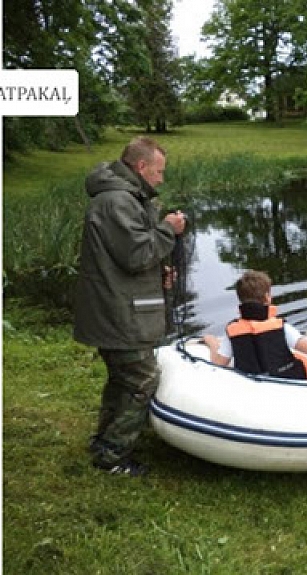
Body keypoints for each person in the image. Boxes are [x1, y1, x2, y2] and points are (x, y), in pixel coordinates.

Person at [73, 137, 186, 477]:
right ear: (141, 167)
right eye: (159, 171)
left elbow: (130, 255)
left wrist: (160, 271)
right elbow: (136, 254)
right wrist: (169, 229)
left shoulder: (123, 199)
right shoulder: (118, 202)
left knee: (121, 380)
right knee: (141, 380)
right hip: (119, 311)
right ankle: (113, 456)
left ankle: (105, 441)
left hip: (117, 306)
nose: (161, 179)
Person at [202, 270, 307, 379]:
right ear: (267, 297)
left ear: (240, 300)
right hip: (288, 380)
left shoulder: (233, 331)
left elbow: (218, 363)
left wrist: (212, 342)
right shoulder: (281, 327)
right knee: (306, 362)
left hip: (255, 383)